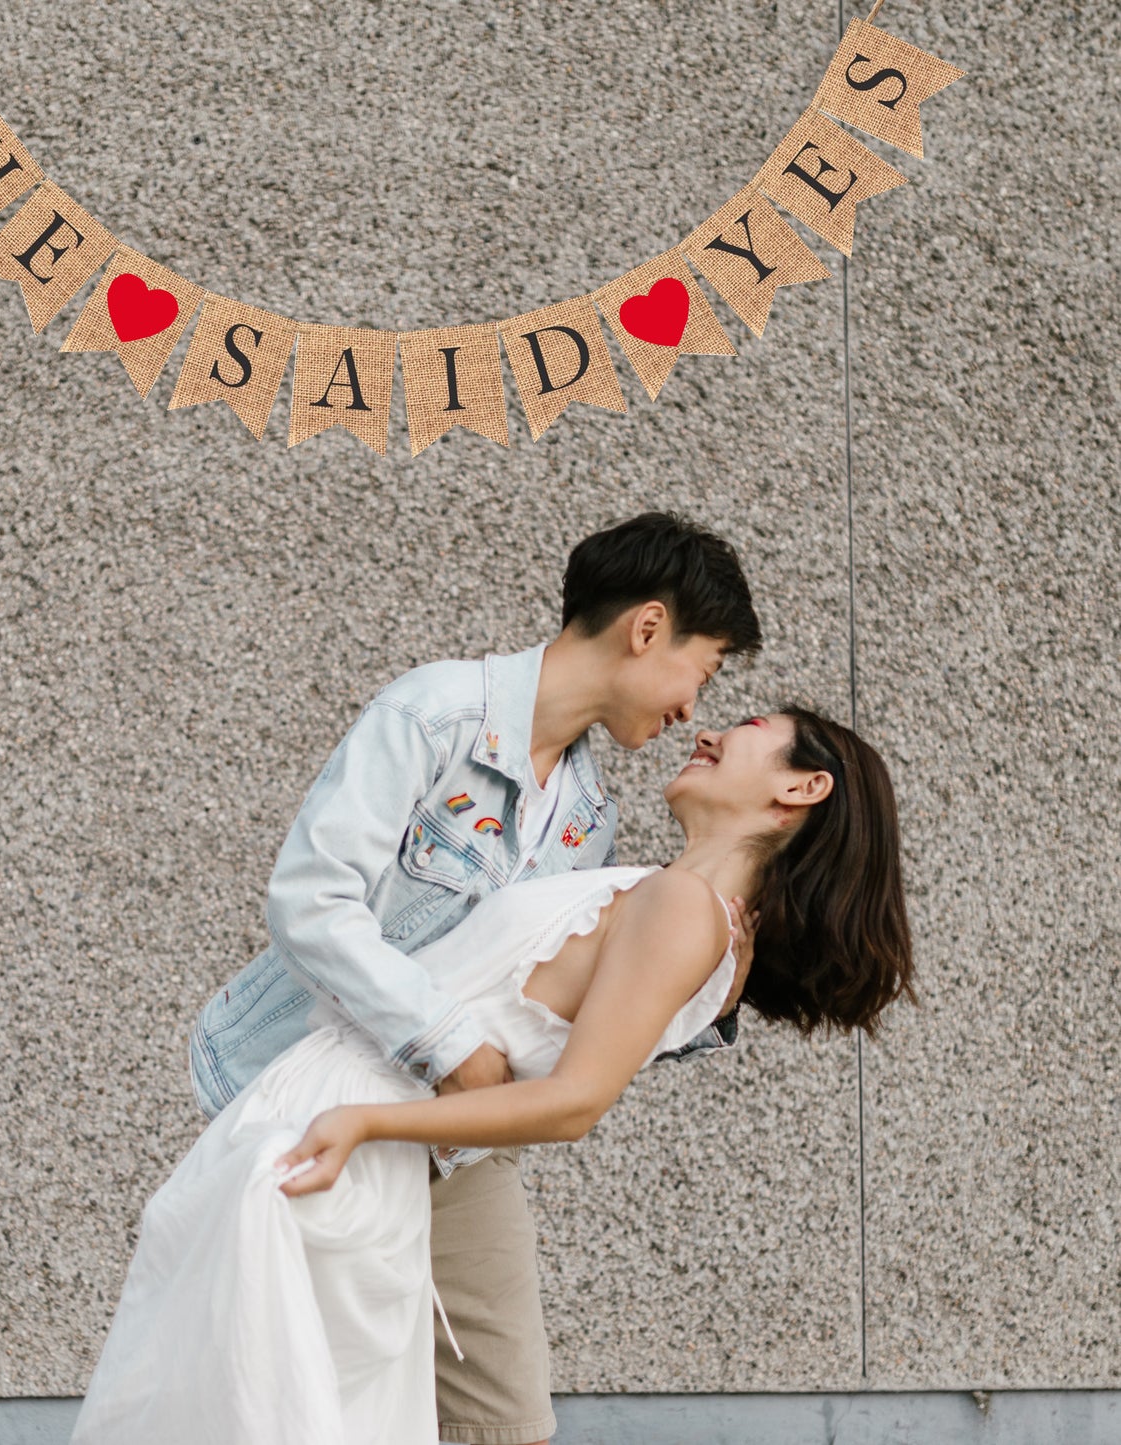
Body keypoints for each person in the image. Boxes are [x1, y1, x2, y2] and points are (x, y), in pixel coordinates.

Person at [68, 707, 914, 1445]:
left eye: (749, 732)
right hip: (341, 1130)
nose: (708, 729)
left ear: (802, 789)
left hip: (346, 1134)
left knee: (238, 1400)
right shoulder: (695, 915)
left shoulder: (685, 909)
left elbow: (573, 1100)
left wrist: (365, 1124)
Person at [185, 511, 763, 1445]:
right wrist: (445, 1040)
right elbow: (310, 898)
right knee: (298, 1406)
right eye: (704, 669)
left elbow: (553, 1008)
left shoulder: (586, 817)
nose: (693, 709)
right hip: (305, 1097)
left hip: (451, 1148)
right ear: (646, 628)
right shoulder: (434, 714)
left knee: (504, 1421)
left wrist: (711, 991)